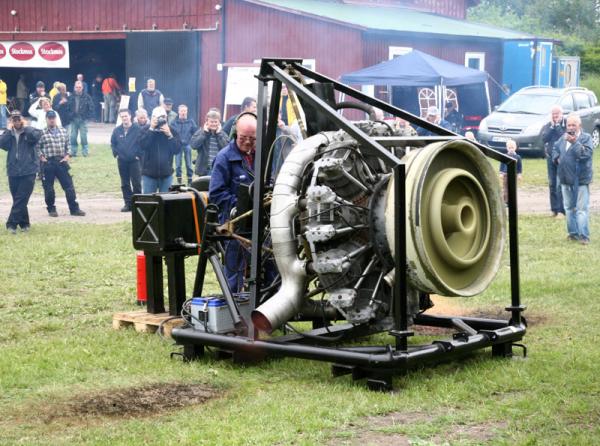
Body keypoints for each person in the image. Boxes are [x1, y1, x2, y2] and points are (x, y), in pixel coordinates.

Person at [209, 113, 257, 292]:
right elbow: (216, 194)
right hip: (234, 226)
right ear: (236, 133)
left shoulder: (261, 155)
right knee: (234, 272)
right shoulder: (224, 158)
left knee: (268, 268)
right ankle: (232, 311)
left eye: (252, 139)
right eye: (243, 138)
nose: (247, 143)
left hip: (258, 223)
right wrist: (240, 205)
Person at [552, 114, 594, 245]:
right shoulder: (562, 138)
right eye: (569, 125)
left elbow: (586, 154)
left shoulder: (586, 138)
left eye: (573, 125)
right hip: (564, 178)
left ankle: (584, 236)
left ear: (579, 126)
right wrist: (556, 158)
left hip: (580, 180)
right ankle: (573, 234)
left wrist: (574, 142)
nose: (570, 127)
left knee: (581, 209)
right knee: (568, 208)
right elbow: (555, 148)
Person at [36, 110, 85, 217]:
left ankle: (74, 209)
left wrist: (68, 155)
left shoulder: (63, 131)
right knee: (48, 188)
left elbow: (69, 145)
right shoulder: (41, 133)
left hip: (61, 162)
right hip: (48, 163)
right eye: (50, 118)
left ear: (56, 119)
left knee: (69, 187)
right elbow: (37, 147)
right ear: (46, 119)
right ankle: (51, 209)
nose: (52, 120)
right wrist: (41, 157)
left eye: (53, 118)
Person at [0, 111, 43, 233]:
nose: (17, 122)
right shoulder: (9, 134)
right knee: (18, 199)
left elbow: (37, 135)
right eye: (14, 120)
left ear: (22, 120)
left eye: (19, 119)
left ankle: (11, 224)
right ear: (11, 122)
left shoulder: (29, 132)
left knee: (21, 197)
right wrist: (8, 131)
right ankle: (25, 223)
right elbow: (2, 144)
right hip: (13, 170)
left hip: (28, 170)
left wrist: (26, 127)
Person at [138, 106, 182, 193]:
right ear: (152, 118)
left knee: (166, 203)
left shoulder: (172, 131)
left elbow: (177, 150)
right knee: (149, 203)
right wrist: (151, 129)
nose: (161, 119)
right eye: (158, 117)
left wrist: (169, 135)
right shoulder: (145, 130)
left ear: (166, 118)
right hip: (149, 174)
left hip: (166, 174)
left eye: (163, 117)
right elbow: (142, 146)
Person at [111, 109, 142, 211]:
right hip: (122, 161)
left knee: (136, 182)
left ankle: (137, 204)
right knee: (125, 183)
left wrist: (138, 155)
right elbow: (113, 143)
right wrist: (116, 154)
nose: (124, 118)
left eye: (126, 116)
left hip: (135, 161)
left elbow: (143, 143)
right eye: (122, 116)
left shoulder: (137, 129)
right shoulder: (117, 130)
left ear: (130, 116)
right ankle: (127, 204)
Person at [541, 105, 566, 218]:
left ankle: (561, 210)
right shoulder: (547, 126)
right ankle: (554, 209)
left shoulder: (566, 125)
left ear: (562, 114)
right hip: (550, 157)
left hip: (562, 158)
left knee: (559, 184)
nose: (555, 116)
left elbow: (563, 137)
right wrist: (552, 127)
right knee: (552, 184)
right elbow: (544, 138)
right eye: (553, 114)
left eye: (557, 114)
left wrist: (556, 126)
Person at [190, 108, 229, 177]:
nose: (213, 124)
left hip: (218, 169)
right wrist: (205, 133)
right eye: (211, 122)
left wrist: (219, 135)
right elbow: (193, 145)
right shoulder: (201, 132)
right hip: (205, 170)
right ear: (207, 122)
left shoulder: (223, 134)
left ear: (219, 122)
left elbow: (227, 149)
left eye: (215, 122)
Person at [171, 104, 198, 185]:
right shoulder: (174, 122)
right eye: (182, 111)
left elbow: (195, 132)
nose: (183, 112)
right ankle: (179, 181)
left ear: (187, 111)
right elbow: (171, 133)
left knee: (189, 164)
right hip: (177, 145)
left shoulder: (191, 121)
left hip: (187, 145)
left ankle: (190, 180)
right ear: (178, 111)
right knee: (178, 164)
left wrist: (191, 141)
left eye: (185, 111)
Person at [66, 80, 95, 157]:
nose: (78, 88)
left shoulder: (87, 97)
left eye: (80, 87)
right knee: (72, 136)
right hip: (73, 119)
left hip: (83, 119)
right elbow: (67, 108)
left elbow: (91, 107)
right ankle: (73, 151)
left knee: (83, 136)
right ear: (74, 88)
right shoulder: (70, 97)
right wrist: (70, 116)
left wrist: (88, 117)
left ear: (82, 88)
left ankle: (85, 151)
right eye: (77, 87)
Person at [499, 139, 523, 206]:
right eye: (509, 148)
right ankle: (506, 201)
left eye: (512, 147)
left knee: (513, 188)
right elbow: (502, 165)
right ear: (507, 148)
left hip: (514, 175)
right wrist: (501, 173)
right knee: (505, 188)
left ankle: (512, 201)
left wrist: (519, 174)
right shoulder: (504, 156)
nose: (511, 149)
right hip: (505, 174)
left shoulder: (518, 157)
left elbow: (519, 167)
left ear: (515, 148)